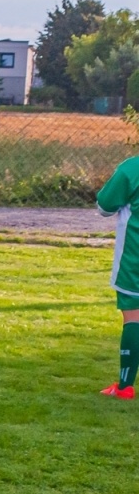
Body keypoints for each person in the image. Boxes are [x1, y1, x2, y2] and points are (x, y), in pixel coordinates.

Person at [95, 154, 139, 399]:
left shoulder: (132, 168)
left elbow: (104, 206)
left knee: (133, 315)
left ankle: (125, 386)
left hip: (134, 258)